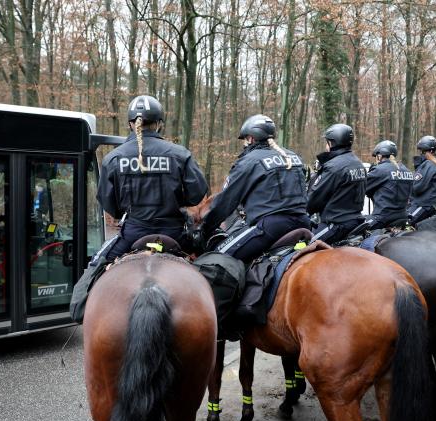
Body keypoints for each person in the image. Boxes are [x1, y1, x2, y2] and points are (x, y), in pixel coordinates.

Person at [71, 95, 208, 322]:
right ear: (159, 123)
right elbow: (197, 195)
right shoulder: (179, 154)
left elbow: (110, 206)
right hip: (174, 234)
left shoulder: (114, 158)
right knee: (212, 261)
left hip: (133, 233)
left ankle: (79, 310)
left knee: (96, 264)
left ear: (130, 124)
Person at [201, 114, 310, 263]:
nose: (245, 144)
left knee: (216, 258)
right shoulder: (293, 157)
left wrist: (205, 228)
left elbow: (226, 202)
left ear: (251, 138)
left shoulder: (249, 161)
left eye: (245, 139)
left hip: (271, 228)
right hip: (304, 222)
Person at [307, 124, 367, 243]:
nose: (325, 145)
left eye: (327, 142)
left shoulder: (334, 166)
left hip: (336, 224)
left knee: (300, 248)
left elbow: (313, 200)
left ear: (332, 143)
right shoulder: (358, 163)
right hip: (356, 221)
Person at [365, 140, 414, 229]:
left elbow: (362, 188)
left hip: (383, 217)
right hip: (403, 216)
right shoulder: (407, 171)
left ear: (379, 156)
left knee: (355, 234)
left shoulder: (380, 170)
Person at [408, 135, 436, 225]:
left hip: (424, 205)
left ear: (428, 151)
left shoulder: (428, 165)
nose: (420, 154)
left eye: (422, 151)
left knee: (404, 223)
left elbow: (416, 188)